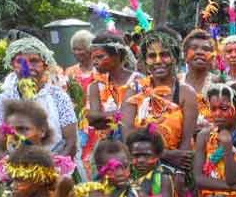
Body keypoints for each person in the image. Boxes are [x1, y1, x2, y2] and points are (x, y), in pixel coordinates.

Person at [122, 30, 199, 183]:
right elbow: (127, 137)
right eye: (151, 56)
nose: (158, 60)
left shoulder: (186, 93)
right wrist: (164, 154)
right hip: (138, 168)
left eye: (164, 54)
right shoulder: (135, 90)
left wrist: (179, 173)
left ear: (175, 58)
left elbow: (185, 144)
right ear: (145, 60)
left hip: (174, 168)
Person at [0, 36, 78, 160]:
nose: (28, 66)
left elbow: (71, 144)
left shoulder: (58, 97)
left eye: (34, 61)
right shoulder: (3, 99)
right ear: (12, 65)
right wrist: (18, 172)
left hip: (56, 169)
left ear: (45, 64)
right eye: (20, 61)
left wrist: (50, 170)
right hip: (16, 171)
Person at [79, 30, 142, 179]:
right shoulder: (96, 86)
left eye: (100, 57)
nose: (95, 62)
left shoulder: (139, 82)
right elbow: (92, 118)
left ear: (118, 55)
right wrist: (121, 116)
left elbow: (142, 120)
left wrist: (107, 118)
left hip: (136, 149)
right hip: (106, 152)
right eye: (93, 58)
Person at [127, 127, 175, 197]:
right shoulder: (126, 176)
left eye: (147, 155)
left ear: (158, 156)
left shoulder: (163, 178)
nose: (141, 160)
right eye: (136, 155)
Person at [183, 28, 219, 117]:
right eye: (194, 48)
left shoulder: (218, 82)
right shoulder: (176, 82)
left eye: (206, 49)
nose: (199, 52)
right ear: (185, 55)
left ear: (212, 57)